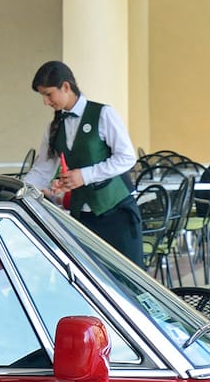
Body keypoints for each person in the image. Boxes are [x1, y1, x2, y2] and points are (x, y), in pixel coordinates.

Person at [20, 61, 142, 264]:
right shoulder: (54, 126)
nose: (45, 101)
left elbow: (127, 157)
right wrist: (20, 192)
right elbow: (42, 169)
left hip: (117, 213)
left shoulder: (103, 114)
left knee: (130, 284)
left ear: (66, 87)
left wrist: (84, 175)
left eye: (48, 94)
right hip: (82, 218)